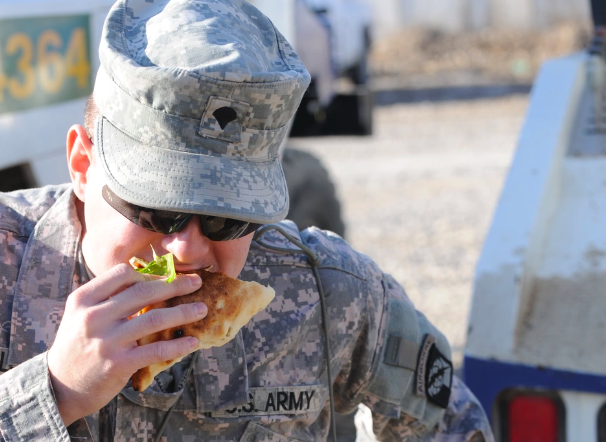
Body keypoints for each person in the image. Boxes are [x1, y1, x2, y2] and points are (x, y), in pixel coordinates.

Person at [0, 0, 493, 441]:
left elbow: (453, 426)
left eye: (228, 219)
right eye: (158, 210)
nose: (188, 251)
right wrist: (53, 394)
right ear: (83, 167)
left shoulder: (327, 294)